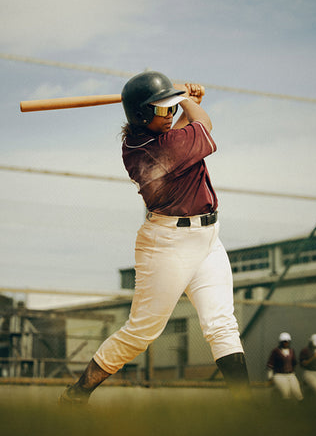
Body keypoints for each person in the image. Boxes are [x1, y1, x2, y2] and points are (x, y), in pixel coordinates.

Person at [59, 70, 250, 405]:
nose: (172, 113)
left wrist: (180, 102)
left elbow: (177, 137)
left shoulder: (148, 141)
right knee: (141, 332)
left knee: (221, 324)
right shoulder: (150, 150)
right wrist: (190, 101)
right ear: (142, 115)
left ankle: (248, 408)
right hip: (167, 245)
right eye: (164, 109)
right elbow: (203, 124)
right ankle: (77, 393)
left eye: (173, 107)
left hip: (207, 239)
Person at [266, 332, 303, 401]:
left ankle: (301, 407)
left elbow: (294, 363)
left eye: (288, 342)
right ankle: (285, 408)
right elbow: (270, 365)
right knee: (286, 392)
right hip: (279, 375)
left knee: (297, 392)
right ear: (281, 342)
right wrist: (270, 378)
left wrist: (292, 371)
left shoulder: (291, 351)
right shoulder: (275, 351)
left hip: (291, 374)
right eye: (284, 342)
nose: (286, 343)